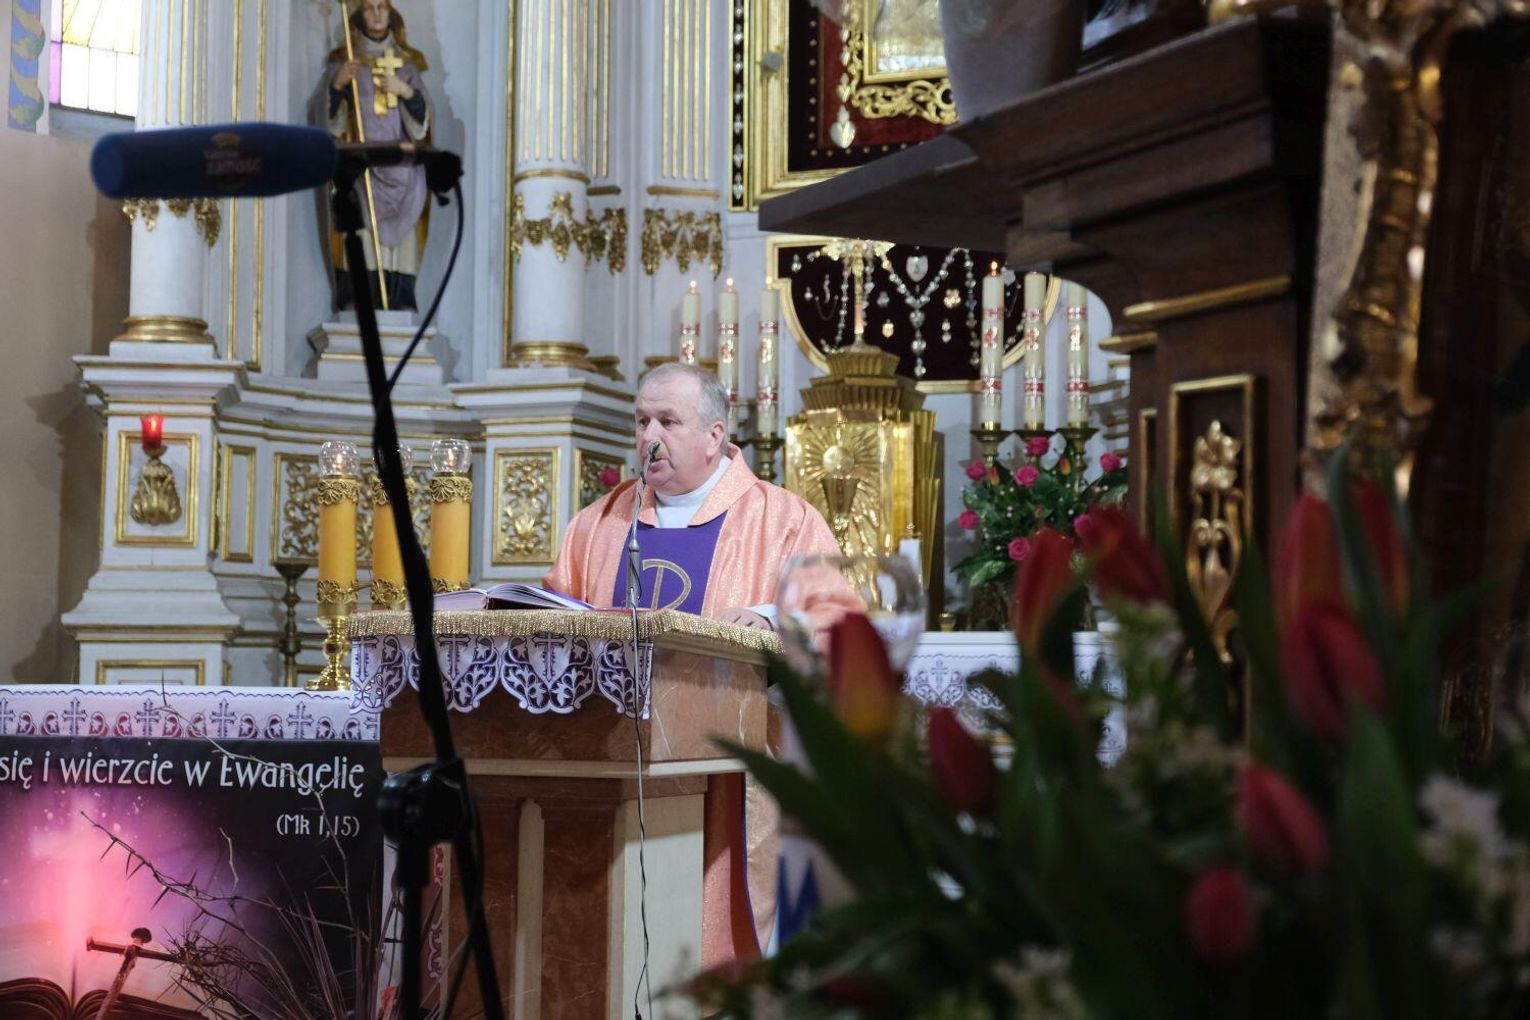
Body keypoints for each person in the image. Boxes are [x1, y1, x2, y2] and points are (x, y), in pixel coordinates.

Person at [545, 363, 840, 627]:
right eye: (643, 421)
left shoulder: (785, 521)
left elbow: (835, 616)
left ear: (713, 437)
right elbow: (552, 619)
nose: (649, 437)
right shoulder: (599, 522)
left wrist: (770, 619)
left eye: (668, 422)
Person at [315, 0, 432, 312]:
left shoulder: (406, 65)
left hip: (401, 165)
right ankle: (359, 294)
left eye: (382, 6)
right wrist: (338, 85)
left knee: (404, 228)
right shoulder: (348, 63)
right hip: (362, 164)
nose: (377, 14)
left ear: (391, 14)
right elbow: (331, 124)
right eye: (369, 7)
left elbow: (422, 125)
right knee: (361, 223)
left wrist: (405, 92)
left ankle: (398, 294)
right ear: (360, 15)